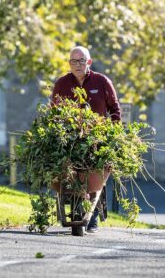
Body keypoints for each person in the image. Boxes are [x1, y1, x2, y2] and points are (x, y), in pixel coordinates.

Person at [51, 46, 121, 233]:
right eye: (73, 61)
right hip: (70, 139)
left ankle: (93, 218)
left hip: (96, 139)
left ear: (89, 62)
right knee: (69, 171)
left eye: (81, 60)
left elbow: (114, 109)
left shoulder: (102, 82)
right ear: (69, 64)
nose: (77, 65)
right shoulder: (62, 84)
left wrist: (113, 133)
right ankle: (76, 207)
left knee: (97, 173)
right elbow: (53, 112)